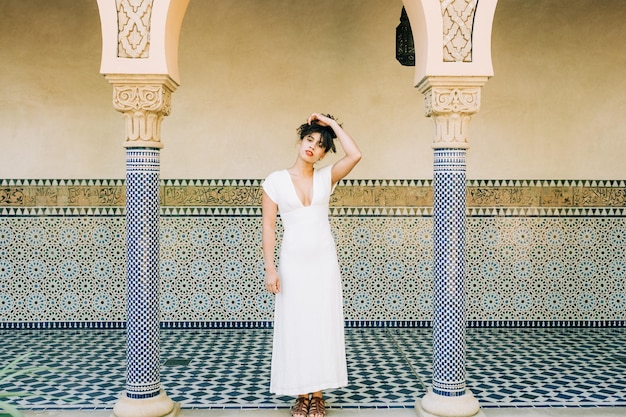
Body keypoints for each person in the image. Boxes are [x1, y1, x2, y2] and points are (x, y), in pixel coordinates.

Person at [261, 113, 362, 417]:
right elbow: (268, 227)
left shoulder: (325, 177)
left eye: (320, 145)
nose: (312, 147)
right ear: (300, 140)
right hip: (292, 263)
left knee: (321, 324)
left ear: (323, 153)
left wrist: (331, 125)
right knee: (296, 325)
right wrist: (270, 268)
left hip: (323, 262)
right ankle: (301, 394)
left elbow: (355, 154)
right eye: (309, 140)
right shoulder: (275, 181)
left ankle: (317, 394)